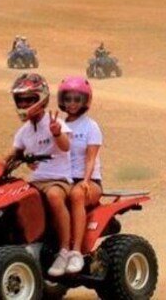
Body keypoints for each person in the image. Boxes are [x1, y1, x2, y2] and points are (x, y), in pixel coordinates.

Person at [2, 73, 73, 277]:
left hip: (58, 180)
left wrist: (57, 133)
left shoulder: (55, 123)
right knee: (15, 198)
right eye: (20, 99)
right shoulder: (23, 132)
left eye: (29, 99)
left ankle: (65, 251)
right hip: (36, 182)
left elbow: (66, 146)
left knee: (53, 196)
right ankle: (29, 244)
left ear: (41, 99)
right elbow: (11, 154)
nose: (24, 103)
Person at [59, 76, 103, 274]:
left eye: (77, 99)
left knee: (76, 195)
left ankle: (75, 252)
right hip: (64, 179)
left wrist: (85, 180)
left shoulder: (90, 126)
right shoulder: (58, 125)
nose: (72, 104)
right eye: (68, 99)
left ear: (85, 101)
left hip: (90, 180)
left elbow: (91, 158)